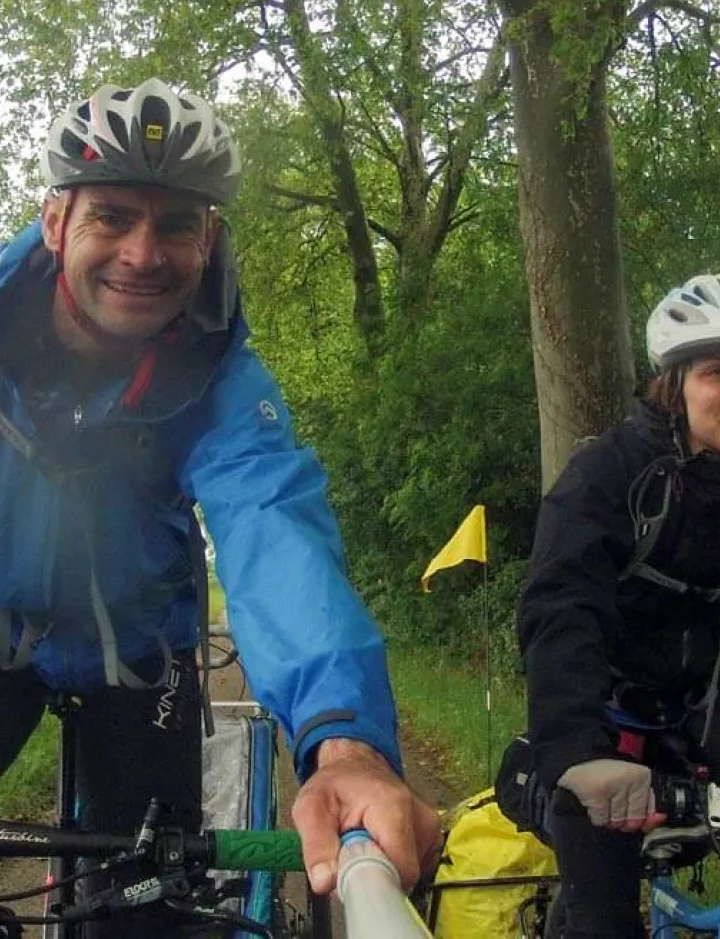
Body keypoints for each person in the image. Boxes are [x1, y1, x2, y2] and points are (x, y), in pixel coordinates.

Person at [0, 77, 440, 935]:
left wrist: (342, 741)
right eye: (112, 217)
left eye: (175, 224)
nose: (142, 253)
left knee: (148, 904)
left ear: (211, 239)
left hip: (141, 646)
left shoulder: (220, 375)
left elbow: (273, 529)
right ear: (55, 224)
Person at [515, 273, 720, 938]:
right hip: (605, 733)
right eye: (719, 373)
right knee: (604, 926)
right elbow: (560, 605)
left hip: (696, 731)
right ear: (677, 383)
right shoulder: (610, 471)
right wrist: (576, 750)